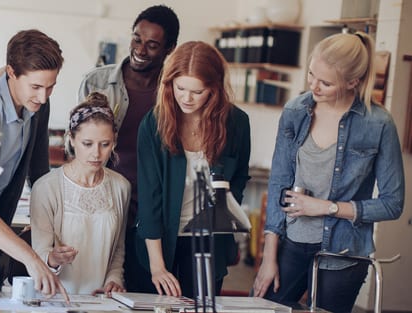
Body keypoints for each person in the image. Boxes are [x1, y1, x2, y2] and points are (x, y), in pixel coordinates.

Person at [252, 32, 404, 313]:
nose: (314, 87)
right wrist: (268, 256)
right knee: (260, 309)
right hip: (290, 245)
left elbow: (392, 204)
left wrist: (328, 207)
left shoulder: (378, 124)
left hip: (344, 254)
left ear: (352, 82)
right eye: (311, 75)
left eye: (325, 82)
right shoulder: (295, 111)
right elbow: (279, 183)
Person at [0, 29, 68, 297]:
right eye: (36, 87)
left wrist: (48, 226)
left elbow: (39, 172)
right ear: (10, 72)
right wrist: (31, 257)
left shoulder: (39, 105)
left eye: (50, 86)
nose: (43, 97)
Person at [77, 4, 179, 293]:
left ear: (169, 48)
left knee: (142, 287)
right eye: (137, 38)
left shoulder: (173, 92)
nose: (140, 49)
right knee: (97, 286)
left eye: (152, 44)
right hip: (102, 202)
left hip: (150, 208)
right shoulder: (95, 81)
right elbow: (79, 148)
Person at [136, 41, 251, 297]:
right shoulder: (153, 124)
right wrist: (157, 267)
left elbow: (240, 177)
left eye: (197, 91)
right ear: (169, 84)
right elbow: (149, 197)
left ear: (214, 88)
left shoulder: (237, 123)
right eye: (180, 88)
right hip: (159, 243)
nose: (186, 99)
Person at [30, 92, 131, 295]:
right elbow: (38, 255)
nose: (96, 153)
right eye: (87, 144)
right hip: (57, 300)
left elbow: (118, 249)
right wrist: (53, 258)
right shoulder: (46, 188)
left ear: (114, 141)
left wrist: (114, 279)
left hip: (103, 303)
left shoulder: (121, 187)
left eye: (105, 144)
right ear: (71, 139)